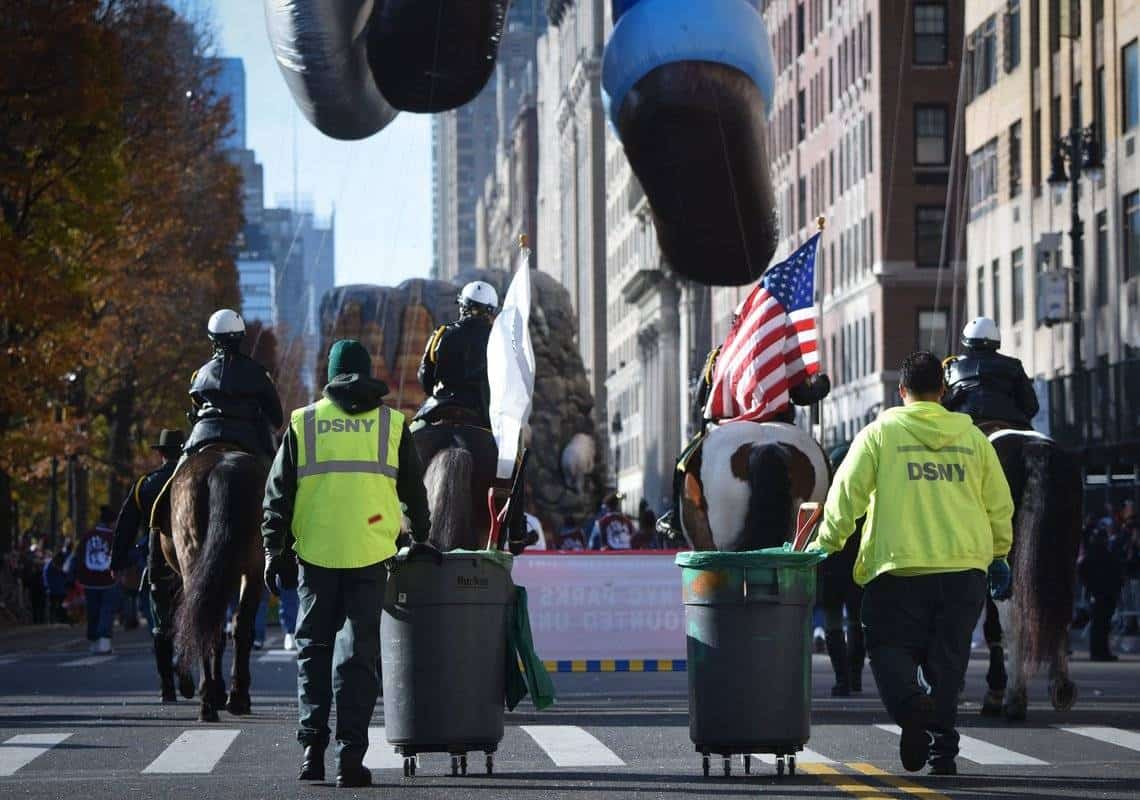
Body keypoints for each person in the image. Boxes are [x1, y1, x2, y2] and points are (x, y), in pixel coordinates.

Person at [811, 351, 1014, 776]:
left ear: (901, 391)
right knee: (949, 661)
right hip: (964, 571)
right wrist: (998, 554)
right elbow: (999, 504)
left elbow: (847, 493)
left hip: (896, 569)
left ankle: (910, 709)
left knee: (887, 649)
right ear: (943, 392)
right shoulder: (974, 439)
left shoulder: (881, 434)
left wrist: (828, 542)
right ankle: (944, 750)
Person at [262, 338, 431, 788]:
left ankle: (311, 754)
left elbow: (278, 494)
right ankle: (349, 761)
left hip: (315, 556)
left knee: (313, 653)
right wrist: (421, 537)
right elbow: (415, 493)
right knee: (358, 659)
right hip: (371, 557)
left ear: (330, 374)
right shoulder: (393, 425)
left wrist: (272, 549)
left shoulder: (304, 422)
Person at [658, 342, 831, 537]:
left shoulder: (722, 354)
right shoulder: (779, 347)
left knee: (683, 463)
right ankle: (833, 507)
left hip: (729, 424)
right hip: (780, 421)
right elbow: (804, 395)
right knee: (823, 460)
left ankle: (675, 519)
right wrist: (821, 385)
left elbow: (701, 400)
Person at [110, 429, 188, 701]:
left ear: (161, 452)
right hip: (192, 564)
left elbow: (126, 524)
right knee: (188, 618)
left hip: (158, 563)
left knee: (161, 624)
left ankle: (166, 685)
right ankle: (186, 667)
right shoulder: (195, 480)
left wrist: (117, 559)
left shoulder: (147, 484)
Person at [185, 309, 283, 460]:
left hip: (203, 433)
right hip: (249, 437)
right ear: (241, 337)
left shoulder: (199, 375)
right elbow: (277, 419)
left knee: (177, 473)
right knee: (274, 475)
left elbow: (194, 414)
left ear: (212, 339)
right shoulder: (258, 373)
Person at [414, 281, 499, 429]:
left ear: (462, 307)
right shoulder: (498, 341)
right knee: (517, 447)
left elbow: (425, 379)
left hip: (440, 406)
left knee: (405, 442)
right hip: (484, 414)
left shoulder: (440, 334)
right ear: (490, 312)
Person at [817, 443, 865, 697]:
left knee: (833, 623)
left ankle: (841, 679)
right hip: (860, 569)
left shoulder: (826, 495)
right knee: (857, 623)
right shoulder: (867, 494)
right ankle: (855, 677)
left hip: (831, 569)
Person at [943, 317, 1039, 430]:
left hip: (963, 421)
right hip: (1010, 421)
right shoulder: (1013, 365)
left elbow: (943, 404)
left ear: (966, 341)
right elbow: (1031, 407)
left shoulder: (950, 367)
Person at [75, 506, 122, 654]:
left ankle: (93, 640)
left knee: (93, 611)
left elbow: (79, 556)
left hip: (89, 580)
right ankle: (104, 640)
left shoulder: (88, 535)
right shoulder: (114, 537)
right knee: (107, 610)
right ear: (111, 522)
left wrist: (78, 575)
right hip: (108, 579)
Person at [1078, 523, 1124, 661]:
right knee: (1100, 625)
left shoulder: (1101, 554)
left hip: (1102, 594)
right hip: (1101, 594)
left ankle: (1101, 652)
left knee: (1102, 625)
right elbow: (1083, 571)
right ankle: (1099, 652)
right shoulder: (1099, 555)